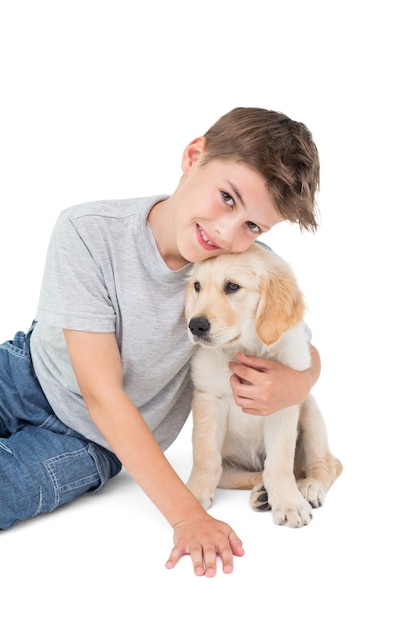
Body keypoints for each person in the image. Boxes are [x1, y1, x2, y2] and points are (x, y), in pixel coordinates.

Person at [0, 107, 321, 576]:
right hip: (22, 374)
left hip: (94, 439)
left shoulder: (248, 268)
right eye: (228, 199)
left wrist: (302, 381)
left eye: (253, 226)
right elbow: (100, 389)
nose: (228, 233)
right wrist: (188, 515)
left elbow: (297, 342)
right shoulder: (88, 231)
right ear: (194, 156)